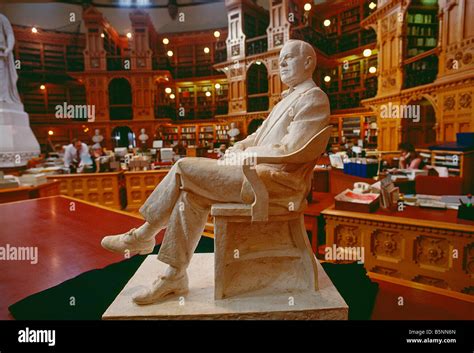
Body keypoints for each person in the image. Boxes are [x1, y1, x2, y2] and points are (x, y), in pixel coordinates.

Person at [101, 39, 330, 305]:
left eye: (288, 59)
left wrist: (244, 157)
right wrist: (238, 147)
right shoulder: (285, 100)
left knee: (183, 167)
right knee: (190, 198)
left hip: (272, 182)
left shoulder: (313, 98)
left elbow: (292, 148)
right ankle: (174, 274)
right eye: (279, 62)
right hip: (255, 172)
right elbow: (258, 137)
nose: (281, 66)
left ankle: (143, 235)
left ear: (308, 62)